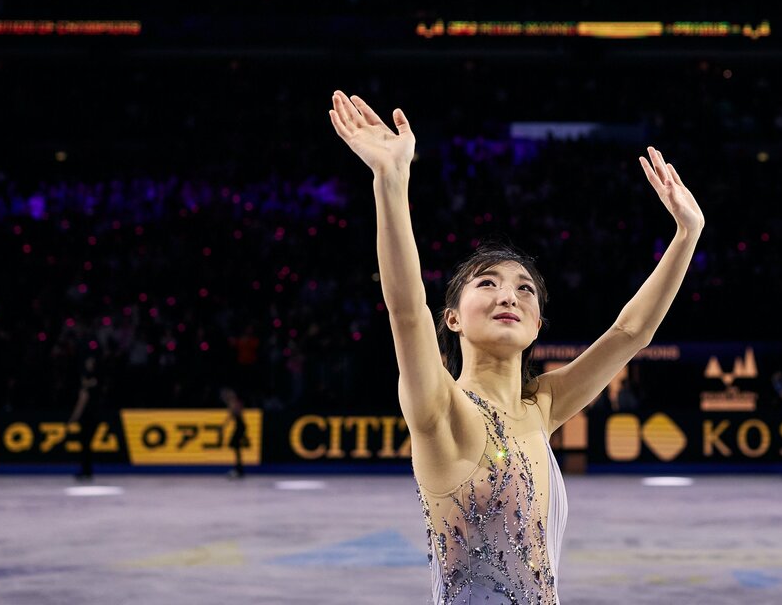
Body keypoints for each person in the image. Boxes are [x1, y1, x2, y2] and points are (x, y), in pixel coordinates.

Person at [329, 90, 704, 604]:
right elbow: (406, 308)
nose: (508, 295)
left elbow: (630, 333)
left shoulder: (541, 407)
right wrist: (390, 180)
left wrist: (687, 233)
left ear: (537, 325)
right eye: (487, 283)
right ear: (452, 318)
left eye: (524, 289)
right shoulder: (441, 409)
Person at [68, 355, 102, 481]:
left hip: (88, 417)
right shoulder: (95, 381)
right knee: (86, 445)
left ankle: (86, 471)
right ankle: (87, 471)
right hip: (93, 416)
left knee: (85, 445)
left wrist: (74, 417)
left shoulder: (88, 383)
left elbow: (82, 401)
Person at [221, 387, 249, 479]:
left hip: (240, 427)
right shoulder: (234, 403)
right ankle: (239, 469)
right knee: (235, 447)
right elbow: (232, 416)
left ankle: (239, 469)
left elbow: (235, 414)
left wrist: (224, 425)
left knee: (235, 445)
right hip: (239, 427)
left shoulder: (235, 403)